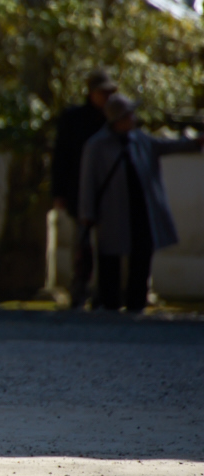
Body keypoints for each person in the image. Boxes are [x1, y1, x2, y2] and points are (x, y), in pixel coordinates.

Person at [78, 93, 203, 313]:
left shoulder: (140, 139)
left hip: (141, 209)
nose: (133, 119)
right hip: (112, 212)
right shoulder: (97, 146)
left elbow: (165, 145)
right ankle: (110, 303)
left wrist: (193, 143)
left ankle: (137, 301)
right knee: (109, 259)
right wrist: (87, 214)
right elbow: (88, 182)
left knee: (141, 256)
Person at [52, 70, 118, 307]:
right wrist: (58, 192)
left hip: (110, 193)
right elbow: (61, 156)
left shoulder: (116, 120)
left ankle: (106, 294)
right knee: (82, 246)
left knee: (109, 247)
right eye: (103, 92)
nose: (108, 97)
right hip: (78, 191)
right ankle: (79, 291)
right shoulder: (74, 119)